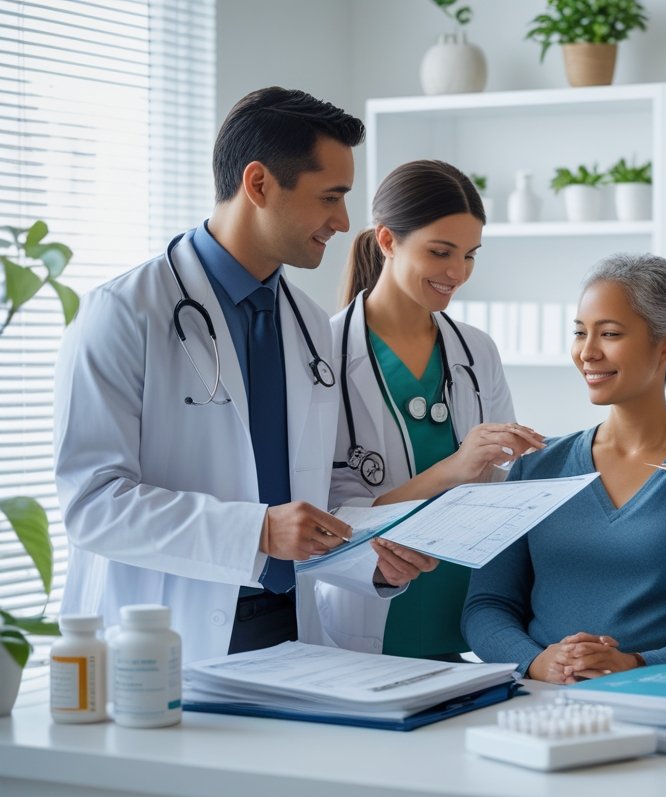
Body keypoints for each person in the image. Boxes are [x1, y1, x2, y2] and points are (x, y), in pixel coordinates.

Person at [53, 87, 434, 665]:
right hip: (169, 636)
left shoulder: (307, 323)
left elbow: (312, 497)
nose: (343, 220)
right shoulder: (126, 311)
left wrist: (374, 560)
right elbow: (94, 506)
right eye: (330, 196)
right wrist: (256, 532)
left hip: (291, 631)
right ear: (258, 184)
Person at [462, 254, 666, 683]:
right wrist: (535, 662)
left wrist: (635, 665)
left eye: (609, 334)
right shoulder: (536, 466)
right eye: (579, 333)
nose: (587, 353)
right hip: (541, 698)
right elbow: (487, 607)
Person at [318, 159, 546, 658]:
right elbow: (326, 518)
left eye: (469, 255)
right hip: (377, 607)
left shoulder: (476, 350)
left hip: (474, 606)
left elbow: (498, 485)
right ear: (387, 241)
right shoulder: (321, 355)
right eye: (440, 252)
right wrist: (456, 468)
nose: (457, 273)